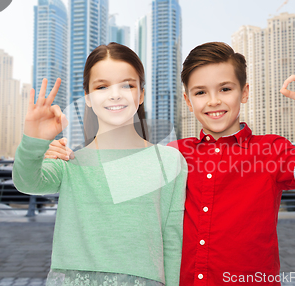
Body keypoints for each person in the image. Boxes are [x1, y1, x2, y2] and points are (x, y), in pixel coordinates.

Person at [44, 42, 295, 285]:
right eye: (200, 92)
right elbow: (102, 185)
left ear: (244, 92)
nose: (213, 101)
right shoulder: (172, 155)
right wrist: (64, 155)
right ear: (188, 100)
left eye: (225, 89)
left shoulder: (270, 150)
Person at [12, 42, 187, 286]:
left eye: (127, 85)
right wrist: (34, 140)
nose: (115, 94)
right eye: (102, 86)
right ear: (88, 98)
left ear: (141, 94)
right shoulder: (69, 161)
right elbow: (26, 181)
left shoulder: (169, 161)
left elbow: (172, 239)